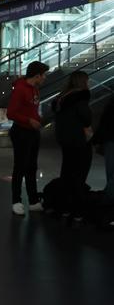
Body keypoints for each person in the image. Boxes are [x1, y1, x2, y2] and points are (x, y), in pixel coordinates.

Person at [6, 61, 49, 216]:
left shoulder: (35, 90)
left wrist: (36, 119)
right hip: (21, 132)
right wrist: (29, 120)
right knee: (20, 167)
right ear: (37, 75)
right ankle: (16, 201)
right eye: (43, 75)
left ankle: (33, 201)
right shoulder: (20, 89)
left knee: (31, 166)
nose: (45, 78)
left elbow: (32, 109)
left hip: (32, 132)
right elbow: (11, 113)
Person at [51, 71, 93, 221]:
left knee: (67, 172)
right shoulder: (80, 97)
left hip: (65, 140)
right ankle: (78, 210)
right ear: (83, 82)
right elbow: (86, 118)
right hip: (79, 140)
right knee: (79, 174)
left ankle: (64, 207)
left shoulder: (62, 98)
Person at [93, 96, 114, 202]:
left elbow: (103, 124)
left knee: (111, 172)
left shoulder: (110, 105)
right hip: (110, 140)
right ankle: (109, 197)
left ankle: (108, 196)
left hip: (109, 141)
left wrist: (97, 141)